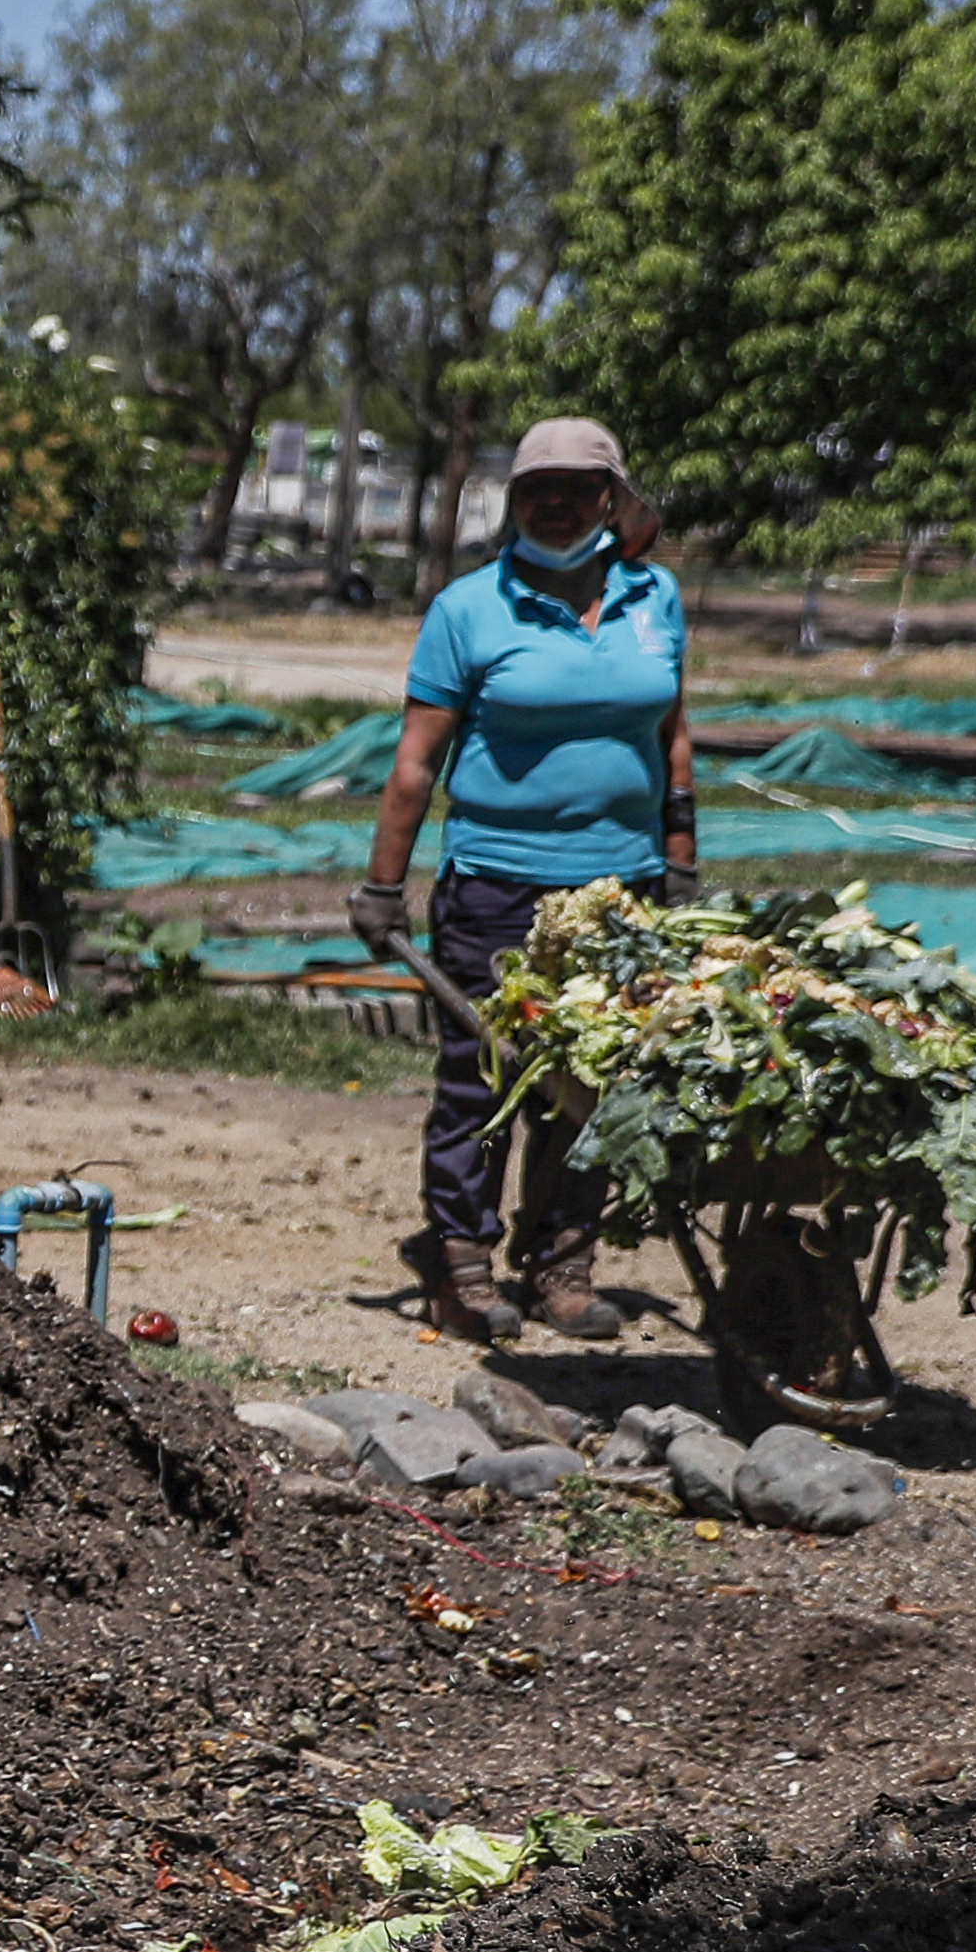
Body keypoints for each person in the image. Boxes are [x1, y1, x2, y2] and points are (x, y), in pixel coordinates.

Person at [348, 417, 697, 1344]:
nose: (553, 504)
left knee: (595, 1080)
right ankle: (462, 1265)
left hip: (623, 894)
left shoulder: (654, 598)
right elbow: (418, 759)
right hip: (499, 885)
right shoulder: (470, 609)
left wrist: (682, 852)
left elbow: (673, 736)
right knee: (484, 1076)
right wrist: (385, 885)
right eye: (534, 488)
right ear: (513, 502)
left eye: (576, 490)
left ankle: (561, 1266)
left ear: (612, 502)